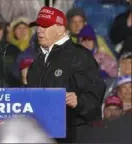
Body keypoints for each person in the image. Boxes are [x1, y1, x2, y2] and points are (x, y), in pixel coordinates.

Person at [28, 6, 106, 143]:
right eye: (38, 26)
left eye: (44, 26)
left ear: (60, 29)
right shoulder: (36, 63)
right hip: (44, 135)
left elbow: (96, 93)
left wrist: (79, 101)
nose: (39, 30)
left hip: (75, 135)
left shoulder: (79, 56)